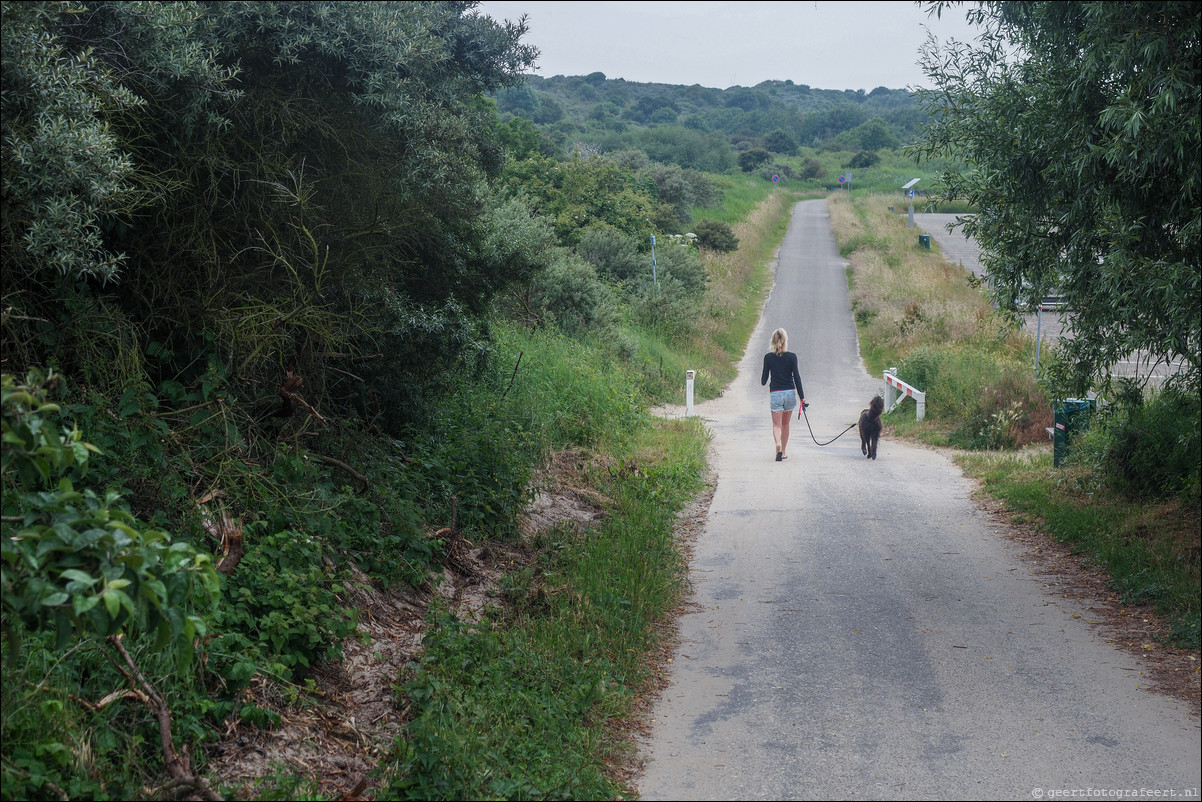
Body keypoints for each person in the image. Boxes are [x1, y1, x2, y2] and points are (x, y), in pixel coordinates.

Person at [760, 328, 805, 461]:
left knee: (776, 425)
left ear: (773, 341)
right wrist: (802, 396)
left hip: (776, 393)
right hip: (790, 393)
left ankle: (777, 444)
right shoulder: (792, 357)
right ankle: (784, 452)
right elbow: (797, 377)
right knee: (786, 424)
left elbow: (763, 381)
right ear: (785, 341)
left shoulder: (768, 357)